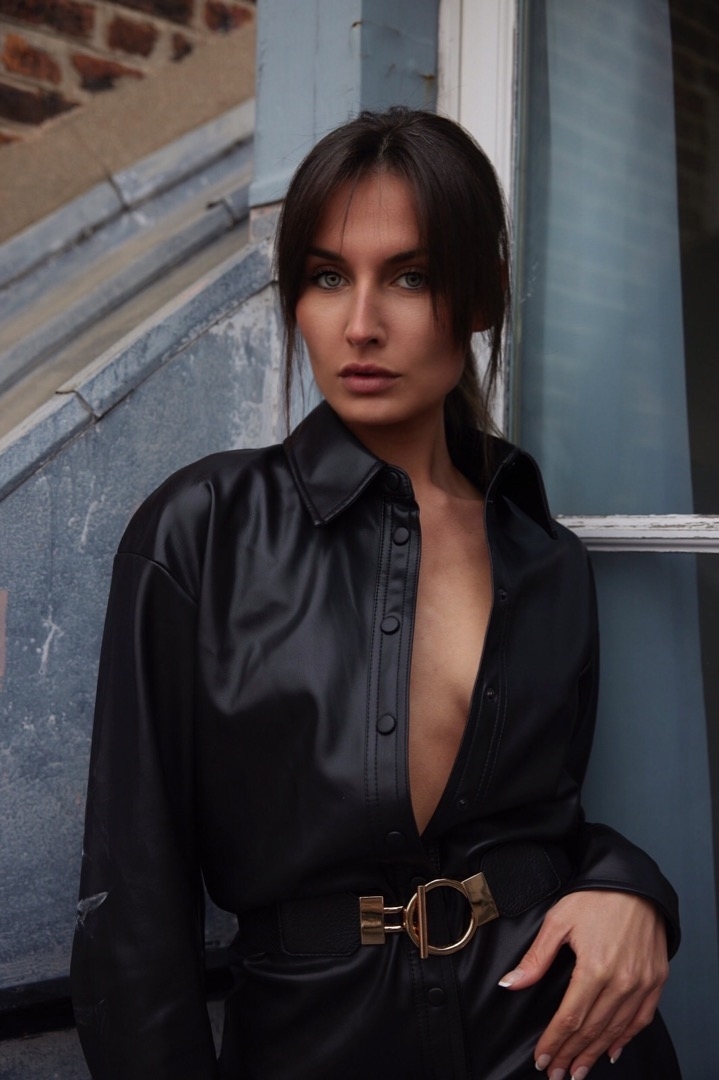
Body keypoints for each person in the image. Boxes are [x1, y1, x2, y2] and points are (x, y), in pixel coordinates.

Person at [71, 107, 681, 1080]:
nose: (360, 324)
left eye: (409, 276)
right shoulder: (202, 530)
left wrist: (630, 887)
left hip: (558, 1046)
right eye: (326, 277)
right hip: (310, 1042)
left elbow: (544, 828)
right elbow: (131, 902)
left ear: (482, 295)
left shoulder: (544, 558)